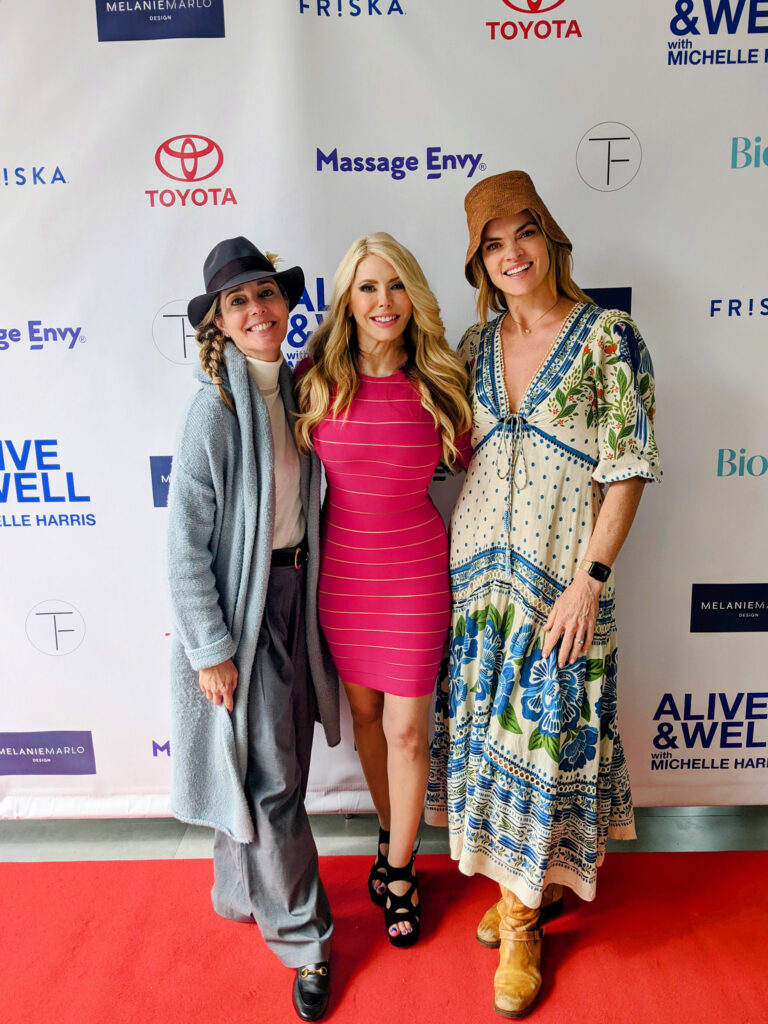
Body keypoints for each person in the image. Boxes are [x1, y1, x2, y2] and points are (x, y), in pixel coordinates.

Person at [426, 171, 661, 1017]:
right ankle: (532, 888)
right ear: (479, 264)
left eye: (523, 233)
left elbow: (628, 466)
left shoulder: (608, 336)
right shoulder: (470, 344)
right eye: (492, 245)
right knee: (493, 744)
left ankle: (522, 927)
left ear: (551, 238)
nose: (511, 253)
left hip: (563, 583)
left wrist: (590, 582)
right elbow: (437, 438)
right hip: (477, 583)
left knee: (545, 739)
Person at [166, 236, 340, 1022]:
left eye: (266, 294)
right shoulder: (216, 408)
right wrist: (210, 650)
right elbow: (184, 546)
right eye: (239, 302)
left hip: (301, 596)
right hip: (244, 612)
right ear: (222, 325)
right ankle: (306, 940)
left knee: (272, 763)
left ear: (285, 304)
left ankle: (240, 890)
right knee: (274, 781)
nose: (258, 309)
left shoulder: (298, 389)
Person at [295, 232, 471, 947]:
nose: (383, 301)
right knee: (366, 719)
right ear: (349, 298)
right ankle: (387, 836)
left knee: (406, 729)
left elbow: (473, 461)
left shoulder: (441, 380)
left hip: (416, 573)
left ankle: (400, 870)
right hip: (342, 576)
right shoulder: (316, 377)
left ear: (414, 297)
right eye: (368, 287)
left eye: (396, 285)